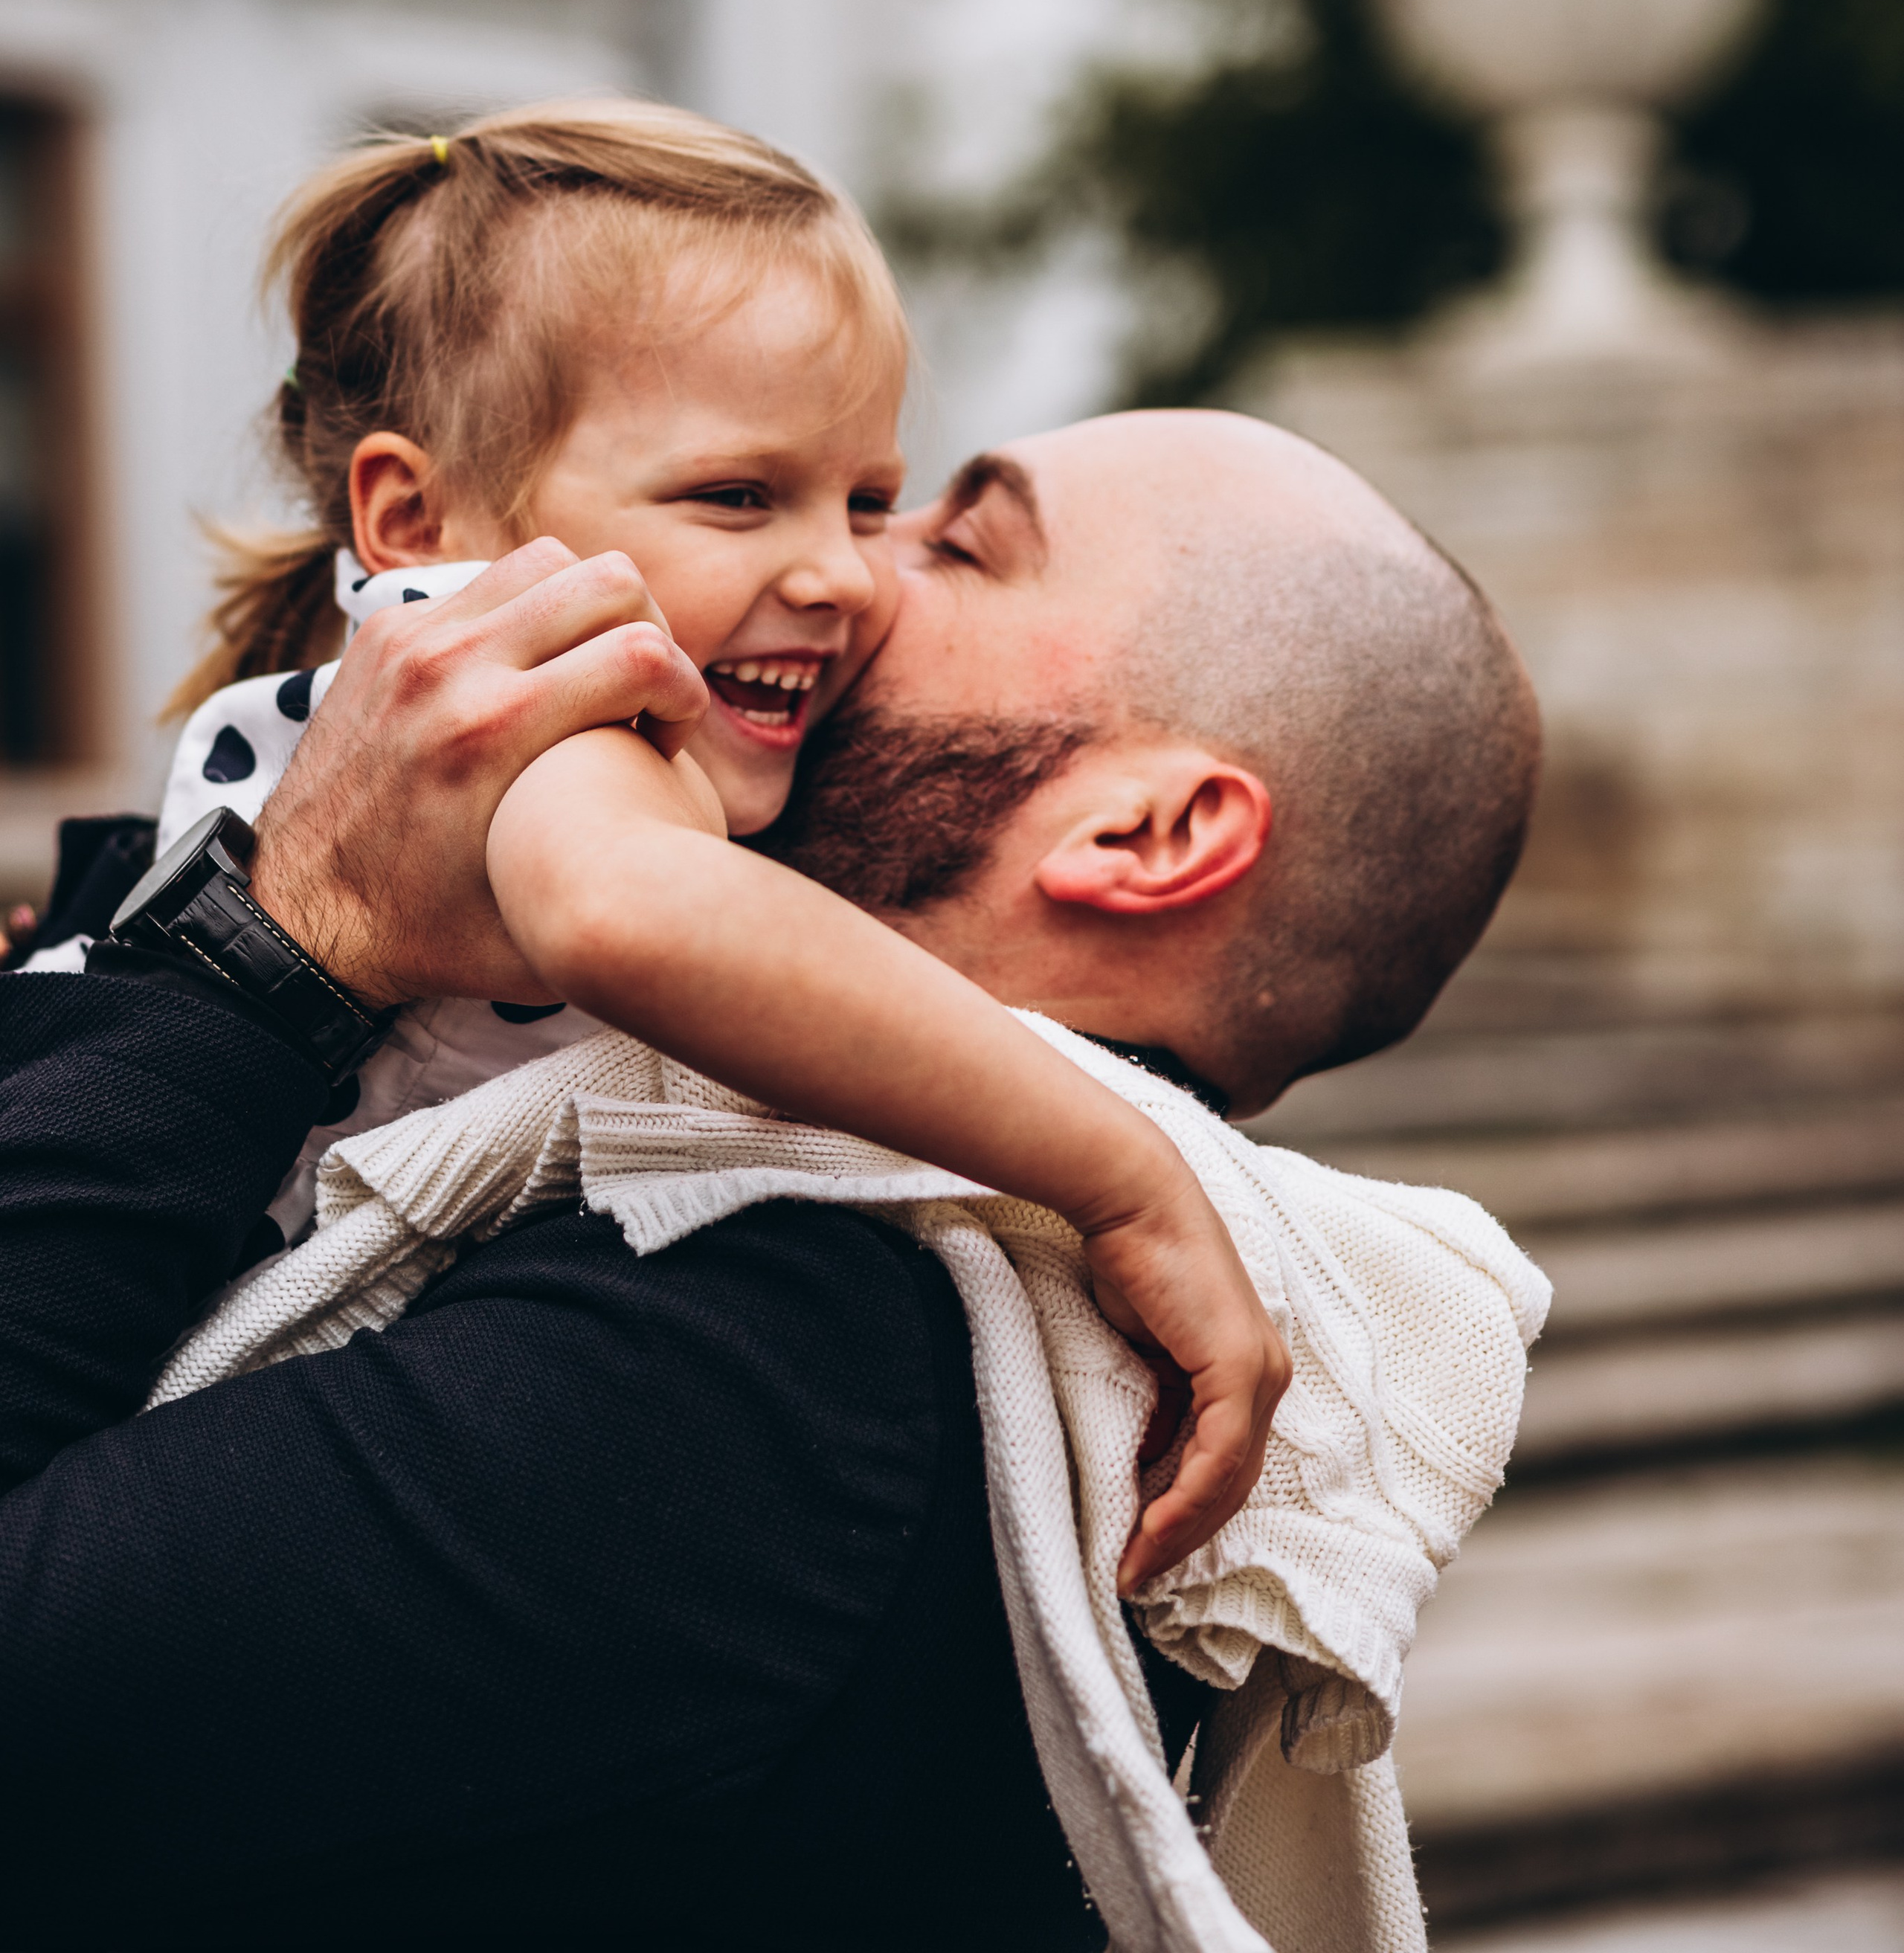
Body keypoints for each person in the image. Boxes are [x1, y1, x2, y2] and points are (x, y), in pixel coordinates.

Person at [0, 414, 1537, 1951]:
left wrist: (266, 955)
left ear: (1143, 834)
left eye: (951, 541)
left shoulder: (792, 1340)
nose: (840, 572)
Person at [118, 96, 1281, 1574]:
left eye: (867, 498)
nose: (842, 574)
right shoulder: (565, 708)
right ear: (418, 519)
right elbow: (633, 912)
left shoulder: (440, 685)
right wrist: (1120, 1176)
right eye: (737, 496)